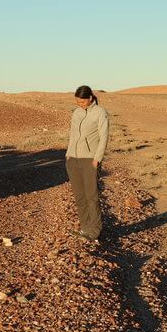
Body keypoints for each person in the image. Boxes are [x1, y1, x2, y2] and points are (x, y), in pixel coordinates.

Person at [65, 85, 110, 240]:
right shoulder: (76, 113)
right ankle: (85, 228)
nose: (80, 105)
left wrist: (97, 159)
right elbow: (73, 135)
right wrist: (68, 154)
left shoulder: (100, 112)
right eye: (78, 102)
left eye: (82, 102)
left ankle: (95, 231)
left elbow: (104, 137)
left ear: (90, 98)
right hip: (73, 159)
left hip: (90, 160)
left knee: (92, 196)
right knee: (79, 197)